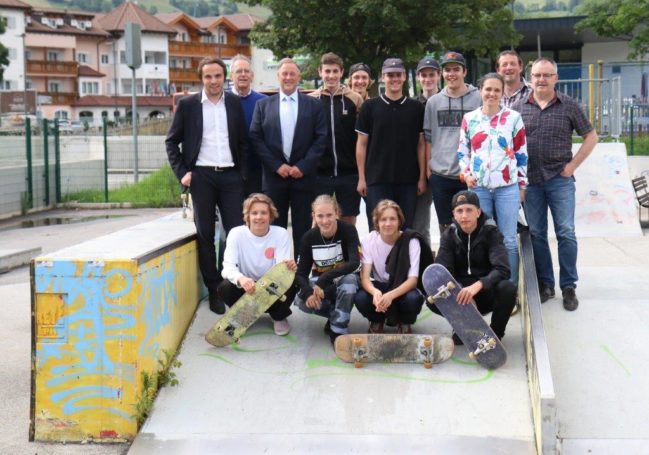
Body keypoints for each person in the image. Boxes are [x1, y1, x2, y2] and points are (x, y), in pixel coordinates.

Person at [512, 57, 598, 311]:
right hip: (531, 183)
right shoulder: (518, 108)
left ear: (555, 78)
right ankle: (545, 284)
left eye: (547, 75)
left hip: (560, 181)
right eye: (537, 75)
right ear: (531, 78)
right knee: (537, 234)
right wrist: (519, 181)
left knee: (566, 233)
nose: (541, 79)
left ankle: (568, 286)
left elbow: (591, 136)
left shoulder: (569, 105)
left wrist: (572, 166)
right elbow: (511, 146)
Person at [165, 56, 248, 314]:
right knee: (204, 233)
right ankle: (213, 289)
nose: (213, 81)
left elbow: (243, 141)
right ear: (201, 79)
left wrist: (242, 172)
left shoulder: (234, 103)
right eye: (208, 77)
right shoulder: (188, 105)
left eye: (218, 76)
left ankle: (227, 284)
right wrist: (183, 173)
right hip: (202, 176)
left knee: (233, 233)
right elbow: (171, 141)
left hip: (232, 176)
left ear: (225, 78)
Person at [250, 57, 328, 256]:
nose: (288, 77)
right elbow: (256, 138)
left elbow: (320, 139)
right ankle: (277, 271)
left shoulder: (314, 105)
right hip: (274, 177)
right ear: (278, 76)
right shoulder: (263, 105)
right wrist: (277, 166)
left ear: (298, 77)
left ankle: (301, 273)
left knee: (303, 228)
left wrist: (302, 166)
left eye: (292, 73)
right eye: (284, 73)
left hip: (304, 177)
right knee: (275, 228)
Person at [458, 72, 528, 285]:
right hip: (479, 189)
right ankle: (487, 286)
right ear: (480, 91)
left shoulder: (513, 118)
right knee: (484, 238)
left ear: (502, 92)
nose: (492, 94)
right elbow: (463, 152)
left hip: (507, 188)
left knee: (507, 240)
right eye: (488, 89)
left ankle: (509, 288)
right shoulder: (470, 119)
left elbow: (521, 153)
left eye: (497, 90)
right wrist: (466, 174)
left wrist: (522, 185)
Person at [428, 190, 516, 344]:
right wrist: (459, 294)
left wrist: (478, 286)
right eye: (459, 211)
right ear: (454, 214)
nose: (464, 215)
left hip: (485, 293)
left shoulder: (491, 232)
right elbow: (441, 271)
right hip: (460, 296)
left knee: (508, 288)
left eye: (469, 210)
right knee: (432, 298)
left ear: (478, 212)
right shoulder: (449, 234)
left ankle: (495, 334)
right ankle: (463, 324)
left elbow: (503, 269)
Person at [356, 57, 427, 230]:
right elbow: (362, 144)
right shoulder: (369, 107)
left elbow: (421, 144)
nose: (394, 79)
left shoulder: (416, 107)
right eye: (390, 75)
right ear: (382, 77)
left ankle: (402, 259)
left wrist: (422, 177)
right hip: (377, 179)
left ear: (404, 77)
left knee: (405, 228)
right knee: (378, 228)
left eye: (398, 74)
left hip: (408, 180)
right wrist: (362, 178)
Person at [218, 193, 297, 335]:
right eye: (254, 213)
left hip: (270, 287)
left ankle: (278, 316)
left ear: (270, 215)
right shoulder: (236, 233)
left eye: (264, 213)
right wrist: (241, 279)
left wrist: (288, 268)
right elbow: (227, 267)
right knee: (225, 286)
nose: (259, 217)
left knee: (292, 280)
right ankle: (243, 314)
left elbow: (280, 270)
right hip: (247, 286)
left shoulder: (281, 233)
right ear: (247, 216)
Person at [354, 200, 434, 334]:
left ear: (399, 221)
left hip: (402, 287)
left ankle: (404, 322)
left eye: (392, 219)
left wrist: (390, 295)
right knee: (360, 298)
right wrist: (375, 293)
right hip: (380, 285)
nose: (388, 223)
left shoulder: (411, 241)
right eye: (383, 219)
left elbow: (413, 280)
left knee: (413, 299)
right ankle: (376, 320)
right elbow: (365, 278)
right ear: (377, 222)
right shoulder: (368, 240)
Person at [424, 51, 481, 234]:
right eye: (447, 70)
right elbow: (428, 138)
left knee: (473, 226)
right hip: (441, 175)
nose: (451, 74)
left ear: (464, 71)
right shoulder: (433, 102)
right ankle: (450, 263)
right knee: (446, 229)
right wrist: (428, 170)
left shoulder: (478, 98)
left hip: (470, 175)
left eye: (456, 69)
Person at [294, 195, 361, 345]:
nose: (325, 221)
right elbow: (301, 273)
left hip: (344, 279)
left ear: (337, 213)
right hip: (322, 285)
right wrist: (308, 294)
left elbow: (354, 263)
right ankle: (336, 316)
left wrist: (325, 279)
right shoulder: (308, 237)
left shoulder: (348, 230)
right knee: (300, 299)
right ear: (314, 216)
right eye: (320, 216)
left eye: (329, 215)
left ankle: (338, 330)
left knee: (349, 281)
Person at [309, 53, 364, 225]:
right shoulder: (311, 100)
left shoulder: (355, 99)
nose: (331, 76)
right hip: (320, 173)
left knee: (348, 219)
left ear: (341, 73)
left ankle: (349, 252)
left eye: (335, 71)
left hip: (349, 172)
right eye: (327, 71)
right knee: (319, 220)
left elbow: (361, 137)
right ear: (320, 72)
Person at [230, 54, 268, 196]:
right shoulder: (223, 101)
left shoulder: (264, 102)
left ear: (252, 75)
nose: (243, 75)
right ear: (231, 75)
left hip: (257, 169)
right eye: (239, 71)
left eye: (247, 71)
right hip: (230, 170)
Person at [413, 57, 441, 245]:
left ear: (438, 76)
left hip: (445, 169)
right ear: (418, 78)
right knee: (420, 224)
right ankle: (423, 265)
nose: (428, 79)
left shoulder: (446, 101)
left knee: (448, 222)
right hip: (420, 171)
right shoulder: (413, 105)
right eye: (424, 75)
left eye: (432, 74)